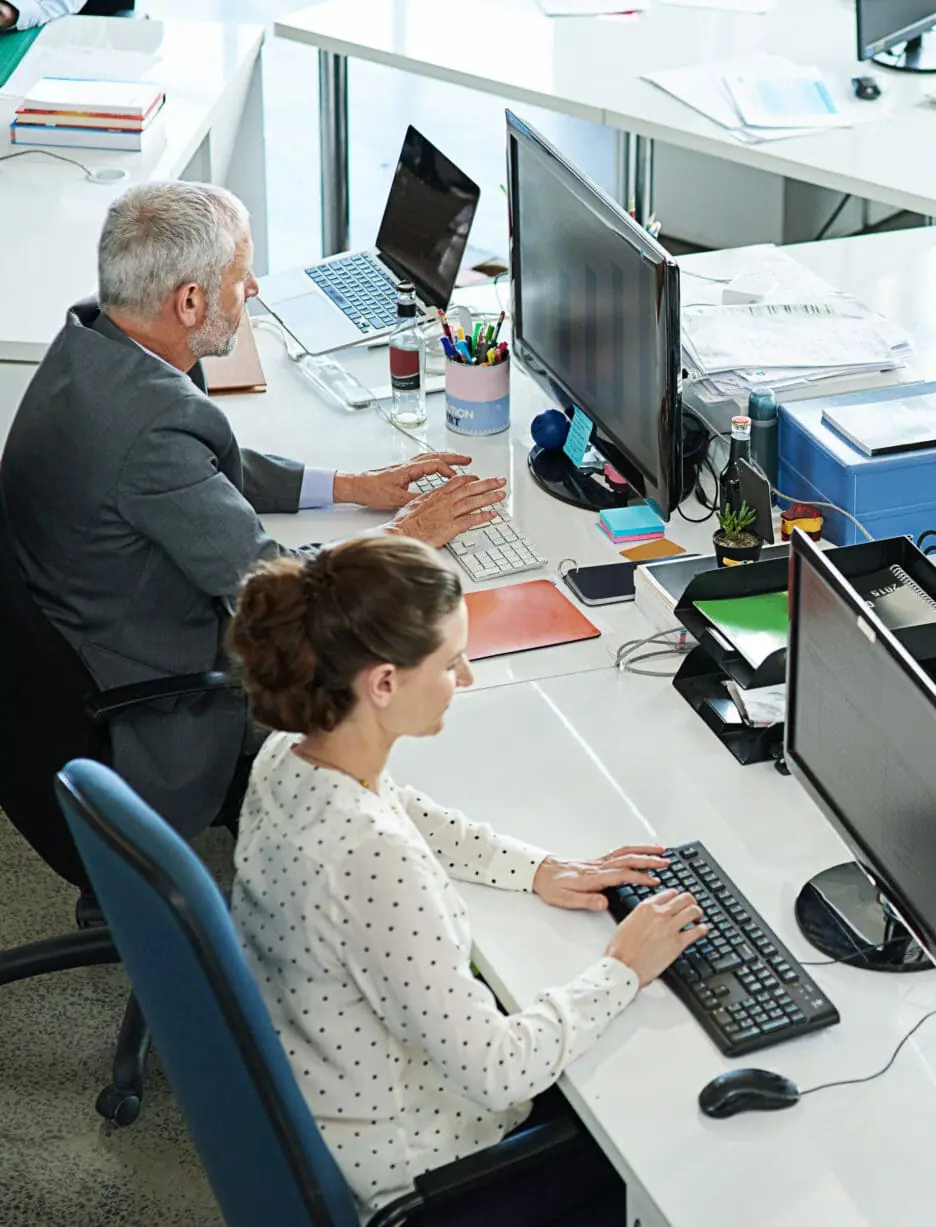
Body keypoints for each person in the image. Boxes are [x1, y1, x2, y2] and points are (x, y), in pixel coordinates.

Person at [226, 536, 708, 1225]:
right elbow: (500, 1069)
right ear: (384, 681)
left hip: (324, 1104)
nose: (470, 676)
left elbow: (404, 809)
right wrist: (622, 967)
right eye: (452, 662)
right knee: (663, 1134)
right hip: (419, 1169)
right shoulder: (368, 859)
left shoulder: (293, 751)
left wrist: (537, 867)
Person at [0, 181, 504, 833]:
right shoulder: (149, 432)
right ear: (189, 301)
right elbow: (282, 583)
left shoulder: (93, 344)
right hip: (160, 719)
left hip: (86, 656)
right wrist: (407, 537)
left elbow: (199, 464)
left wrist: (348, 485)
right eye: (241, 277)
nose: (255, 290)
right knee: (397, 679)